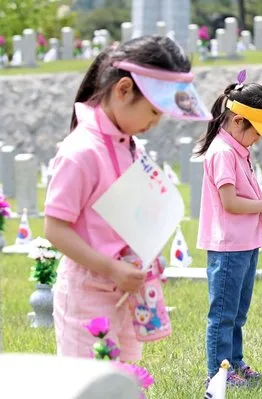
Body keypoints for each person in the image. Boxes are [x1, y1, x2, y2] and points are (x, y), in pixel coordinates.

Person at [44, 36, 211, 362]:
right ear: (123, 90)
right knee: (91, 384)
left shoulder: (129, 145)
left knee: (125, 380)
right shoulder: (80, 152)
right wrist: (110, 267)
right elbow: (55, 228)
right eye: (153, 111)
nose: (155, 123)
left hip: (126, 289)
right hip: (89, 291)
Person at [195, 72, 262, 387]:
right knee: (222, 314)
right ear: (238, 121)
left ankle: (234, 363)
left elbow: (246, 198)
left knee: (237, 314)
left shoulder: (239, 150)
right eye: (257, 131)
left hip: (245, 244)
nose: (259, 139)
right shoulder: (222, 152)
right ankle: (218, 373)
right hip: (228, 247)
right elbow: (230, 203)